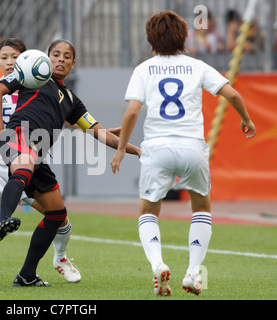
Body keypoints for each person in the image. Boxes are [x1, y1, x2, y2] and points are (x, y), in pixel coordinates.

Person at [110, 11, 256, 296]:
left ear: (151, 40)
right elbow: (233, 95)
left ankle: (157, 263)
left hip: (157, 148)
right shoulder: (197, 66)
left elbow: (132, 112)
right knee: (201, 209)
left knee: (148, 211)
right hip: (192, 147)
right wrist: (246, 119)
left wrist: (119, 149)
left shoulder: (144, 69)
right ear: (184, 36)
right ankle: (192, 273)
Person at [0, 39, 141, 286]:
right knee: (24, 165)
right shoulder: (33, 76)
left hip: (38, 154)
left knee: (57, 213)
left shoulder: (72, 100)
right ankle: (4, 219)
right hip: (17, 135)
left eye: (66, 57)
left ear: (72, 65)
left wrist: (135, 150)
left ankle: (26, 275)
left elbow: (99, 132)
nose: (60, 59)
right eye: (55, 54)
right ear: (46, 59)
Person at [0, 39, 81, 283]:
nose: (10, 62)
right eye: (4, 57)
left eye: (15, 57)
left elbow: (63, 116)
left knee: (60, 217)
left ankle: (57, 259)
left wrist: (98, 132)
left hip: (27, 160)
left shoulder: (36, 86)